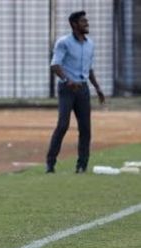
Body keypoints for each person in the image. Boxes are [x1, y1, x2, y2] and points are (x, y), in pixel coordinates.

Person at [46, 10, 106, 174]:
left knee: (85, 128)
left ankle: (82, 165)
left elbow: (89, 68)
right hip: (67, 89)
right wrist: (67, 81)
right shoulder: (63, 42)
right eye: (83, 22)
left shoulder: (90, 44)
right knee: (63, 125)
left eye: (86, 21)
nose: (87, 24)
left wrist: (97, 88)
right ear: (74, 24)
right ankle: (50, 164)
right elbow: (55, 65)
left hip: (83, 89)